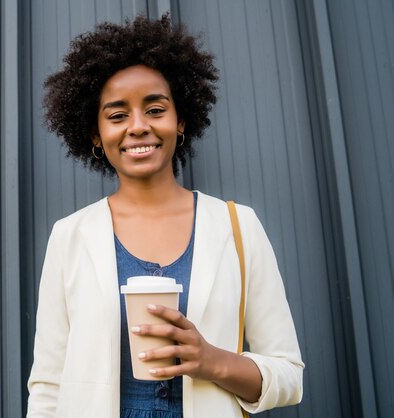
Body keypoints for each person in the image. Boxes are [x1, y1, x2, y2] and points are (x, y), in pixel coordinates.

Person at [26, 14, 304, 418]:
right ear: (94, 135)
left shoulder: (238, 227)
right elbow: (48, 387)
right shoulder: (70, 236)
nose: (138, 127)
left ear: (182, 120)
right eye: (118, 115)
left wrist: (213, 361)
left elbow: (289, 375)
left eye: (155, 109)